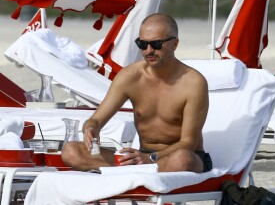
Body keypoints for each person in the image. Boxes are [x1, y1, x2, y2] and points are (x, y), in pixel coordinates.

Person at [61, 13, 212, 173]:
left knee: (183, 160)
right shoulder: (130, 76)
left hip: (178, 156)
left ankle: (131, 172)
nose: (148, 51)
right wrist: (90, 129)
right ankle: (133, 171)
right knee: (71, 151)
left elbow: (189, 142)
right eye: (142, 44)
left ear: (174, 44)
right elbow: (96, 120)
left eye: (157, 44)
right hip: (140, 158)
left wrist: (151, 158)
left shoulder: (193, 82)